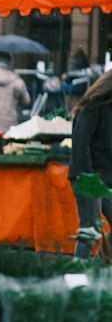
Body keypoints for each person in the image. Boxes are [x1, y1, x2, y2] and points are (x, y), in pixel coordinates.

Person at [68, 69, 112, 258]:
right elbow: (80, 143)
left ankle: (96, 267)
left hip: (105, 182)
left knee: (90, 230)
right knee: (90, 229)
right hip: (87, 177)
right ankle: (76, 278)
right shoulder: (92, 107)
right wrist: (87, 179)